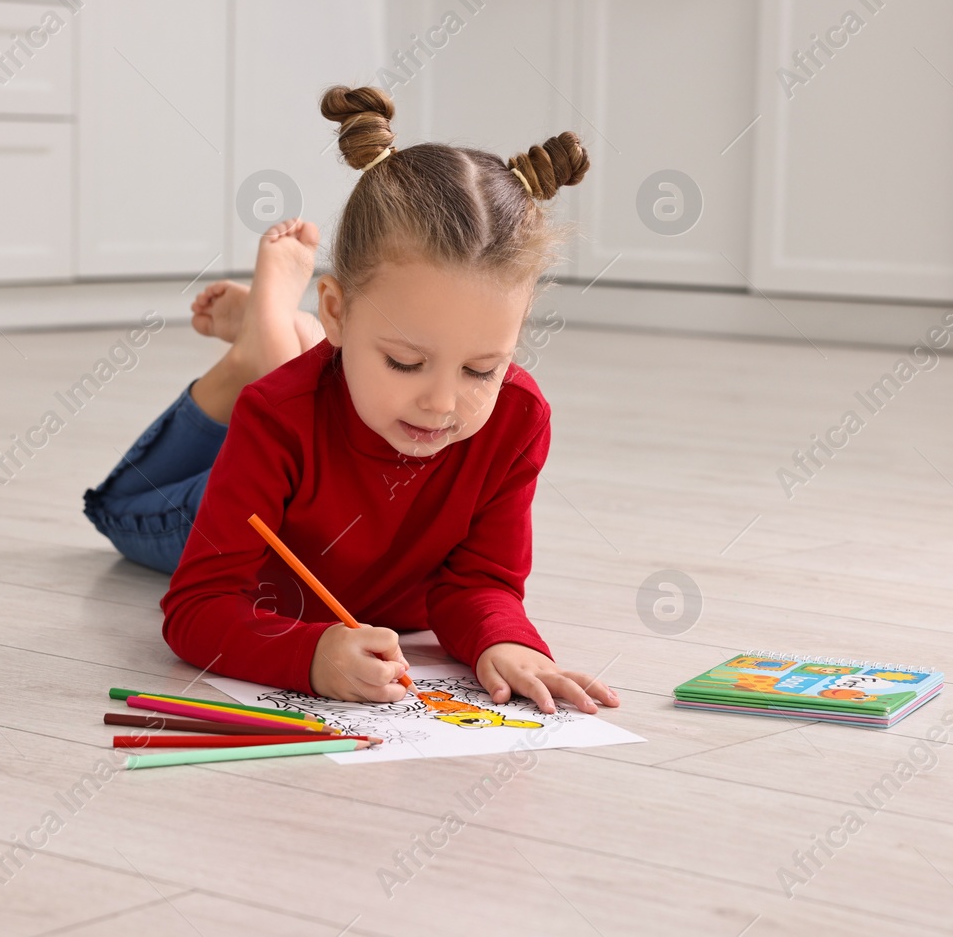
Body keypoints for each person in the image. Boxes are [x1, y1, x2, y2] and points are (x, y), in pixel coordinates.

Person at [83, 85, 619, 716]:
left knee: (321, 392)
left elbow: (481, 581)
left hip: (328, 427)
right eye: (405, 362)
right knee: (123, 509)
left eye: (482, 367)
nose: (442, 403)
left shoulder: (518, 417)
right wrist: (307, 654)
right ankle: (265, 350)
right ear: (337, 309)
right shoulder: (276, 417)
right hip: (259, 488)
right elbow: (197, 607)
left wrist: (504, 640)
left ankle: (281, 336)